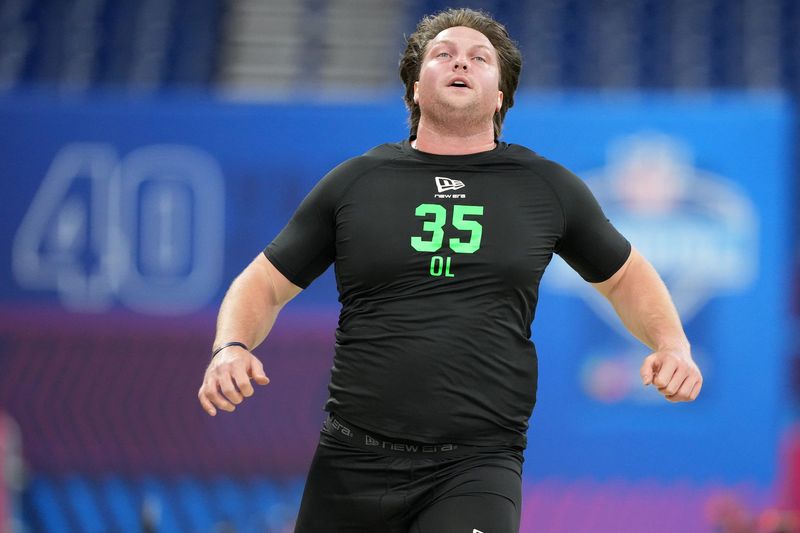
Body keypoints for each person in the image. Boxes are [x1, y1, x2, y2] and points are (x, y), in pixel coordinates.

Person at [197, 7, 703, 533]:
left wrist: (672, 345)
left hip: (476, 465)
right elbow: (262, 282)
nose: (461, 62)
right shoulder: (356, 183)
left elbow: (624, 275)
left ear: (501, 94)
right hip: (351, 458)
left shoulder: (546, 186)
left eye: (479, 58)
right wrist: (230, 347)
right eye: (444, 54)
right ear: (416, 87)